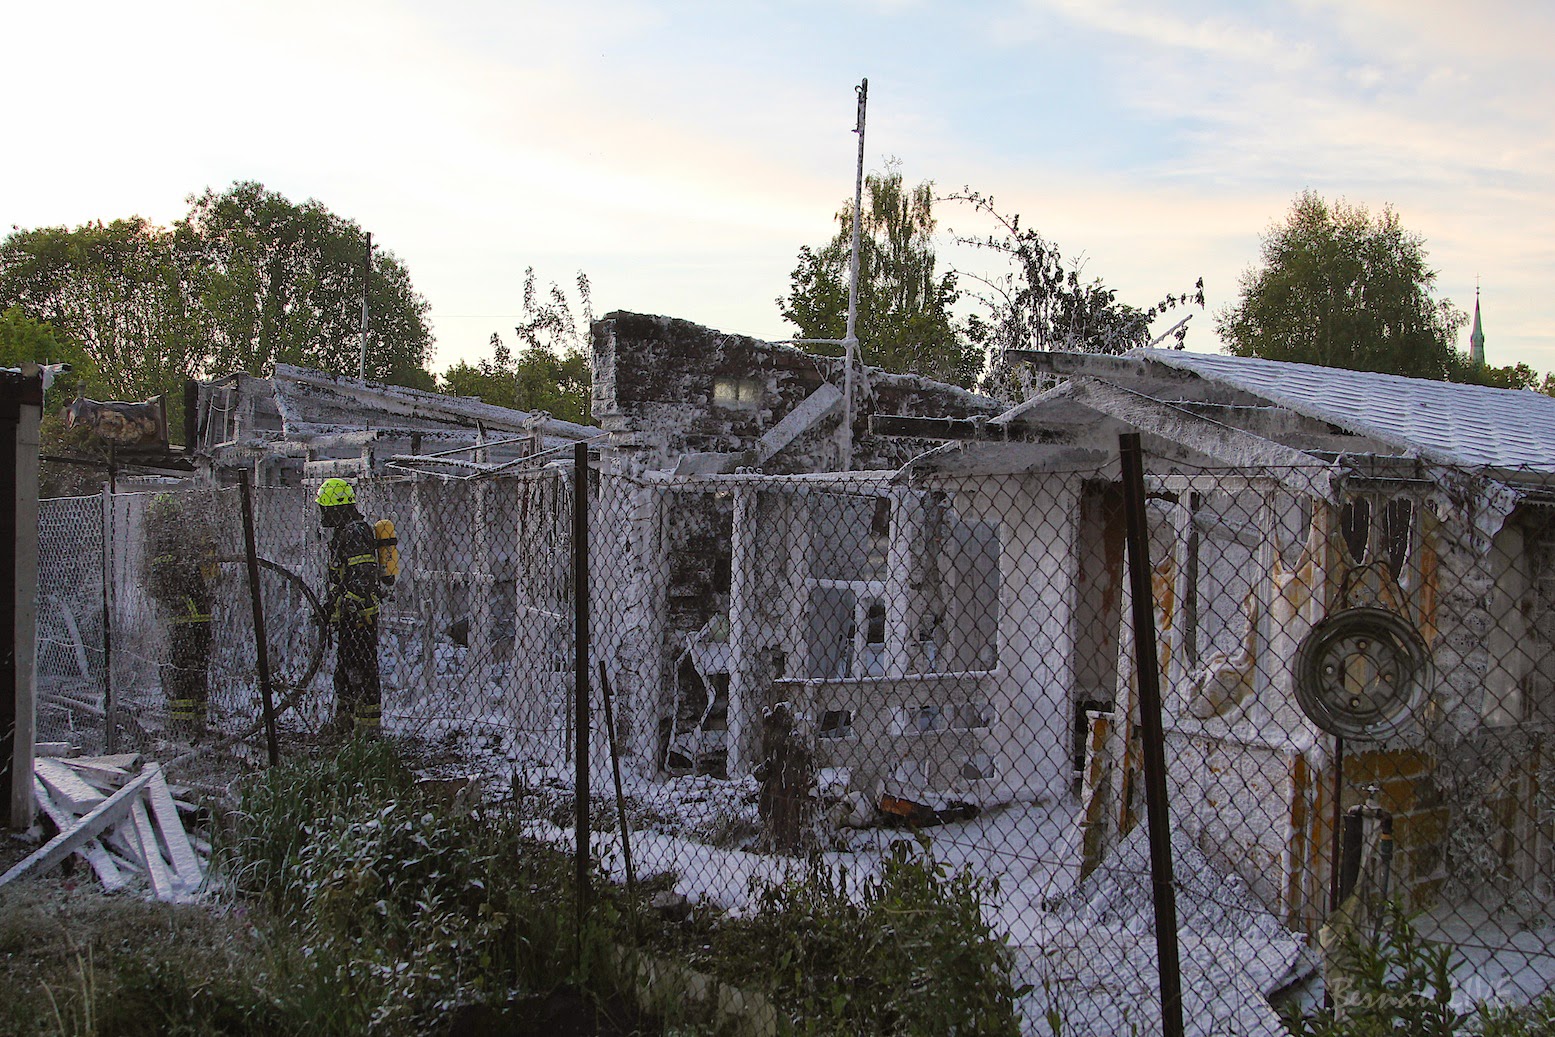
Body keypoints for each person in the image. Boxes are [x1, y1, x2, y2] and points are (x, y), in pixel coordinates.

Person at [316, 478, 383, 736]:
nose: (323, 514)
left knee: (361, 670)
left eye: (325, 508)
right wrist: (332, 606)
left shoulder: (355, 532)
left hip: (359, 617)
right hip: (349, 616)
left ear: (336, 508)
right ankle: (345, 723)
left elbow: (362, 576)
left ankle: (367, 731)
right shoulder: (346, 532)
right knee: (345, 671)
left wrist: (348, 604)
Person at [145, 494, 216, 737]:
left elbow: (160, 580)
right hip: (199, 612)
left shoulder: (164, 540)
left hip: (182, 616)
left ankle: (182, 725)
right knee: (198, 669)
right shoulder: (188, 536)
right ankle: (198, 721)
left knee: (181, 668)